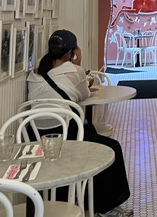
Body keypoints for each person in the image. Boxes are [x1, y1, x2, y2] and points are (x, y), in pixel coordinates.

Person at [27, 30, 133, 217]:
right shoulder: (74, 71)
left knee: (88, 129)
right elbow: (84, 94)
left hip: (34, 137)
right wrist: (79, 64)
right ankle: (106, 207)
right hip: (65, 137)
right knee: (111, 148)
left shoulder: (35, 73)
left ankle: (79, 197)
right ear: (71, 52)